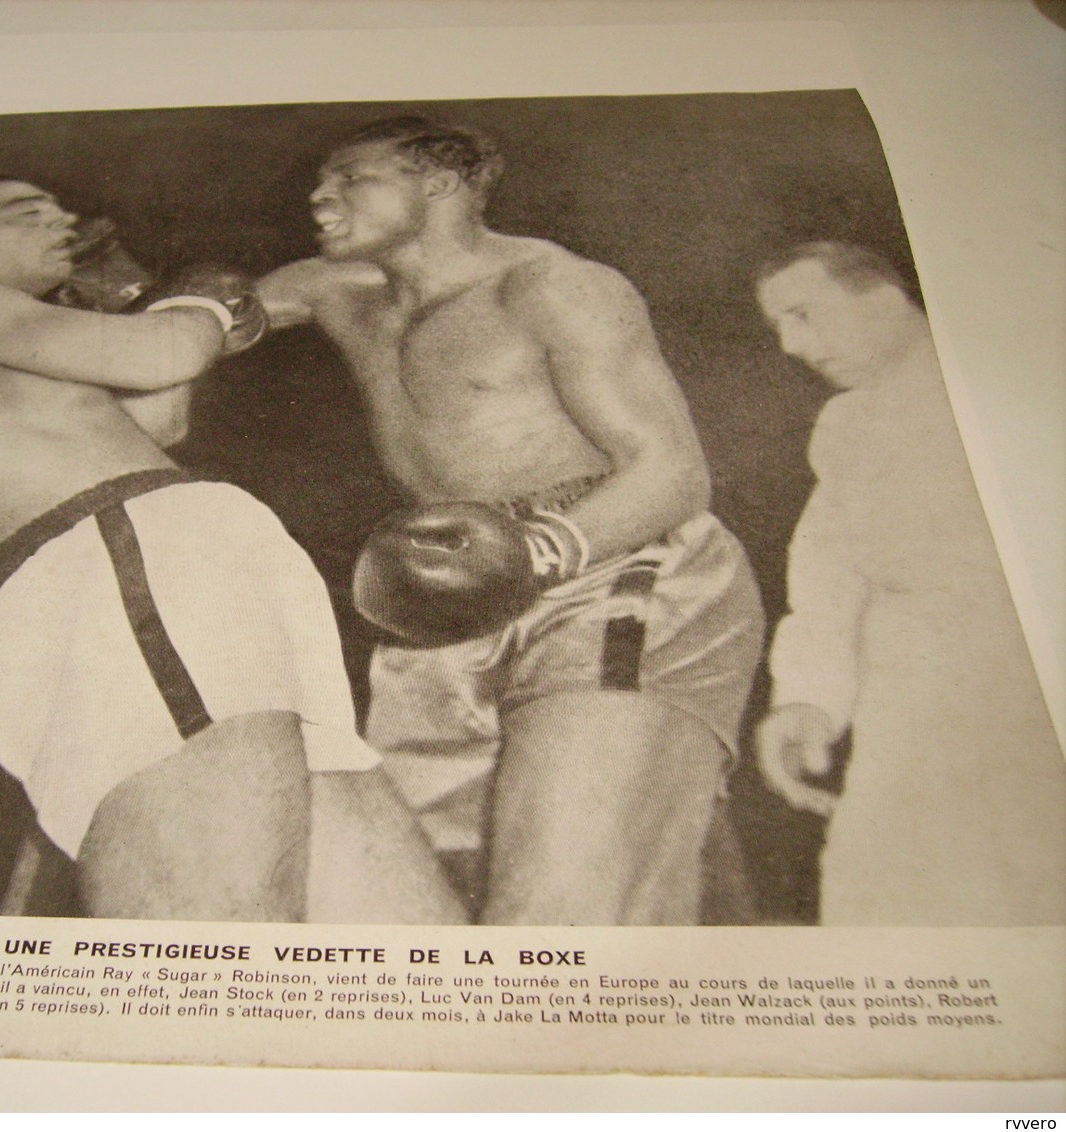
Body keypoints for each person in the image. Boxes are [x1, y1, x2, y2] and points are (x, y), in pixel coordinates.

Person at [0, 175, 462, 923]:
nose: (62, 221)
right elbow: (164, 355)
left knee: (377, 927)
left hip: (135, 564)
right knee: (214, 922)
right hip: (122, 563)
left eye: (63, 208)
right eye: (24, 212)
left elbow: (158, 423)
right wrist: (195, 301)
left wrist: (156, 311)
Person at [259, 118, 763, 924]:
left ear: (440, 183)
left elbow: (674, 473)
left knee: (564, 916)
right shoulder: (332, 291)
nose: (320, 196)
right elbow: (187, 328)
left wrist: (536, 549)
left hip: (611, 561)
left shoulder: (551, 286)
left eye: (352, 177)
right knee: (414, 910)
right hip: (446, 598)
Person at [753, 241, 1066, 925]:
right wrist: (807, 698)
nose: (790, 345)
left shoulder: (1026, 380)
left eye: (803, 314)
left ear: (886, 299)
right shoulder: (849, 423)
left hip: (1032, 688)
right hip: (913, 693)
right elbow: (830, 570)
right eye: (779, 325)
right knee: (890, 893)